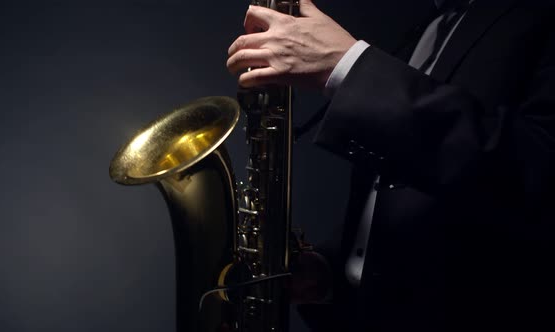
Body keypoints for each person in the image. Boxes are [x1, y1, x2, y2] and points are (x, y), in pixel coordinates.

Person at [227, 0, 555, 331]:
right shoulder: (433, 24)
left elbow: (535, 170)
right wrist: (330, 273)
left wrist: (348, 67)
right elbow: (410, 192)